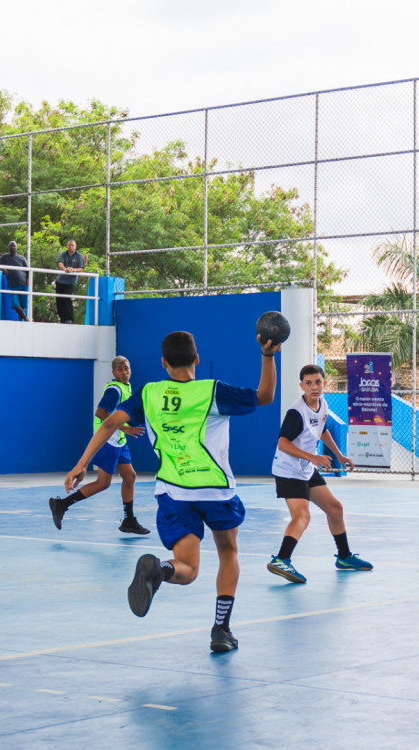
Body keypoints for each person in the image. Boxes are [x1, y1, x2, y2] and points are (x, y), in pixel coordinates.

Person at [63, 330, 279, 653]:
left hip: (175, 493)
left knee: (187, 568)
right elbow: (264, 396)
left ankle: (161, 570)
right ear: (196, 359)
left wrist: (82, 463)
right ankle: (220, 629)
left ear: (163, 363)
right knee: (228, 553)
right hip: (216, 491)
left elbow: (108, 424)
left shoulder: (149, 393)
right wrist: (267, 354)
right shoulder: (212, 391)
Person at [267, 364, 372, 584]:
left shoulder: (322, 404)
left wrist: (339, 455)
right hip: (289, 470)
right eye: (309, 383)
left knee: (335, 508)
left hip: (306, 468)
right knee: (302, 516)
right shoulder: (296, 412)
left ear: (324, 383)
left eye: (318, 382)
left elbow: (321, 431)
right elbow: (283, 443)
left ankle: (344, 557)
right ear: (301, 386)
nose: (314, 387)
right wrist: (312, 457)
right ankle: (282, 559)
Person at [49, 356, 150, 535]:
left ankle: (129, 520)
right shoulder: (114, 390)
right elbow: (101, 413)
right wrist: (124, 428)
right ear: (113, 372)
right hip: (108, 440)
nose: (124, 373)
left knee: (130, 476)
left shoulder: (126, 387)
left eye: (126, 368)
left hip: (118, 440)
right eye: (120, 370)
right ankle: (61, 505)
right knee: (103, 483)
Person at [0, 241, 29, 321]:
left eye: (14, 246)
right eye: (11, 246)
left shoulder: (22, 258)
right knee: (15, 304)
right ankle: (26, 319)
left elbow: (28, 270)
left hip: (23, 284)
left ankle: (20, 322)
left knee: (22, 305)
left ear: (16, 247)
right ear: (8, 247)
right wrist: (3, 269)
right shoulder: (5, 257)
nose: (13, 247)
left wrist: (27, 282)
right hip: (13, 285)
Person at [55, 239, 85, 324]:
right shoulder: (63, 254)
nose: (71, 247)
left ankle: (70, 319)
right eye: (69, 245)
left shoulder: (79, 256)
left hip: (70, 282)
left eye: (72, 245)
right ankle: (62, 319)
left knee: (67, 298)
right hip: (60, 280)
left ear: (75, 246)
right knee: (59, 300)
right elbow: (60, 263)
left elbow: (81, 269)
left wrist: (73, 270)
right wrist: (65, 269)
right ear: (67, 246)